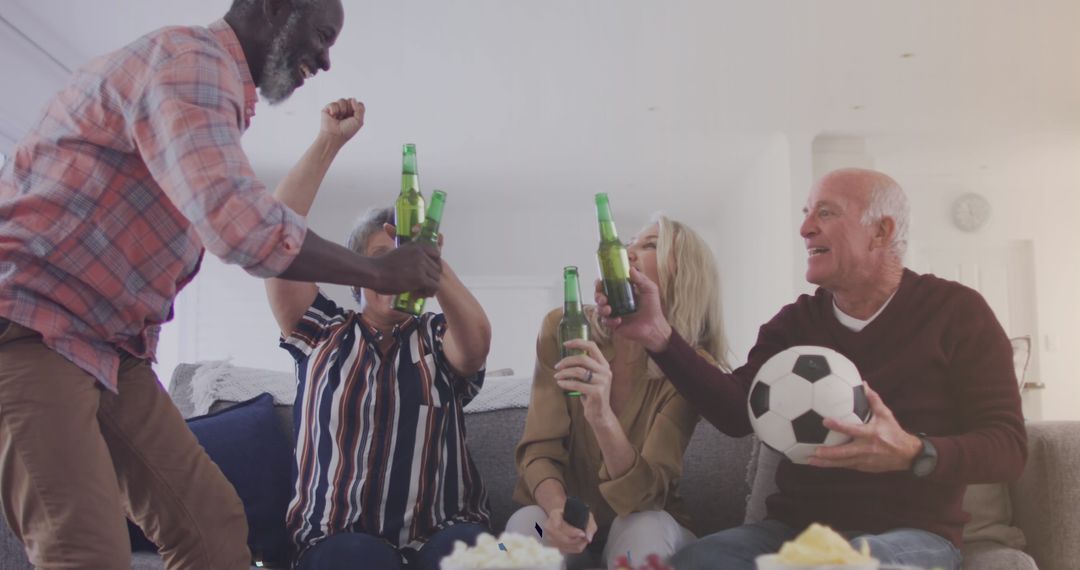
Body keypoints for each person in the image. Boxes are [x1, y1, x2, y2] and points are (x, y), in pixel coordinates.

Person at [0, 1, 441, 567]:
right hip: (35, 324)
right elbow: (241, 224)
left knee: (212, 524)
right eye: (322, 35)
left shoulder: (212, 91)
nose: (327, 60)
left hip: (112, 350)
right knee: (84, 551)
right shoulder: (191, 62)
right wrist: (381, 269)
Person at [597, 169, 1026, 570]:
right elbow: (734, 414)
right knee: (696, 562)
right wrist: (659, 335)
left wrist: (913, 452)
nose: (805, 229)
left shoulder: (957, 312)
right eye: (806, 214)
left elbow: (1008, 448)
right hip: (790, 533)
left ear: (882, 231)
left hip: (911, 534)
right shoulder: (793, 324)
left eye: (825, 212)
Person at [265, 99, 492, 570]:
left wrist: (433, 264)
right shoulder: (320, 330)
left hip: (445, 532)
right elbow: (274, 235)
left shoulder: (435, 335)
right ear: (358, 271)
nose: (398, 265)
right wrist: (330, 140)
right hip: (334, 537)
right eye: (382, 255)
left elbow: (475, 347)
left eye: (406, 254)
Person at [506, 215, 731, 569]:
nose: (628, 252)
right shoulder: (563, 328)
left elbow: (644, 496)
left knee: (643, 526)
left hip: (646, 526)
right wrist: (558, 510)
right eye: (631, 242)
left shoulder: (692, 369)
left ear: (683, 272)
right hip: (563, 518)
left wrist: (601, 417)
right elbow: (538, 449)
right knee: (524, 526)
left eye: (650, 244)